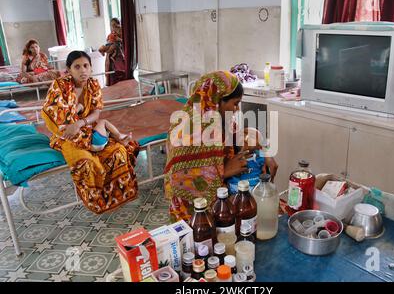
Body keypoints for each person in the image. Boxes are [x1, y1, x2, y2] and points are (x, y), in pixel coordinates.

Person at [164, 71, 278, 222]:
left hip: (225, 196)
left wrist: (266, 152)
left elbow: (248, 135)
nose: (237, 109)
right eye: (235, 103)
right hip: (194, 213)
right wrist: (224, 172)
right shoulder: (187, 132)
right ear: (217, 101)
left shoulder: (223, 121)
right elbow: (180, 179)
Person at [41, 50, 139, 214]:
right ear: (69, 70)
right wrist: (74, 126)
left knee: (118, 151)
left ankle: (119, 196)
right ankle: (98, 201)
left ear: (91, 68)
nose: (83, 70)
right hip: (66, 136)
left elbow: (96, 113)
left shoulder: (93, 85)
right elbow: (58, 118)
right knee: (86, 163)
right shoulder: (59, 86)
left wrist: (80, 123)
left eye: (86, 66)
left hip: (85, 129)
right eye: (77, 67)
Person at [226, 127, 266, 195]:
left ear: (259, 146)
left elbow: (265, 171)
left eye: (252, 136)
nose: (246, 137)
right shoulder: (231, 154)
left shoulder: (259, 155)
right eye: (243, 134)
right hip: (234, 187)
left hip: (253, 187)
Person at [99, 18, 125, 86]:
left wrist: (118, 40)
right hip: (110, 59)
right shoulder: (110, 34)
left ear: (118, 24)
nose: (113, 27)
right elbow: (108, 41)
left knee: (120, 77)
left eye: (114, 25)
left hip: (119, 57)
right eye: (111, 25)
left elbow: (124, 42)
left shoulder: (121, 32)